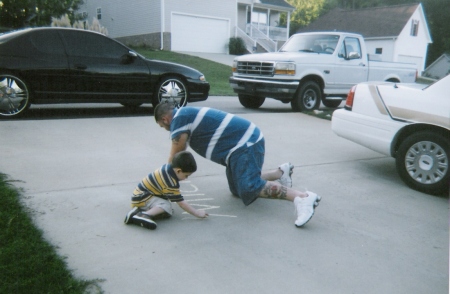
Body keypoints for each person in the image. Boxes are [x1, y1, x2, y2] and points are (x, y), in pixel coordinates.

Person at [154, 103, 321, 227]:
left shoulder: (178, 119)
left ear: (165, 119)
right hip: (237, 149)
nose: (165, 130)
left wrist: (163, 181)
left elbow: (176, 154)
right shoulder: (184, 115)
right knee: (237, 190)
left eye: (162, 127)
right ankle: (279, 173)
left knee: (248, 187)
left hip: (244, 144)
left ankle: (302, 198)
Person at [124, 150, 208, 230]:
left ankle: (137, 211)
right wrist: (197, 213)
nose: (186, 178)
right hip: (143, 197)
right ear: (178, 171)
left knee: (167, 212)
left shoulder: (168, 169)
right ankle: (143, 215)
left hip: (142, 196)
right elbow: (181, 203)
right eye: (186, 175)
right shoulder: (170, 181)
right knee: (166, 205)